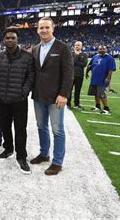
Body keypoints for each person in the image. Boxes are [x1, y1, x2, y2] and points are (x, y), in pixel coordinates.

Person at [0, 28, 35, 174]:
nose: (10, 40)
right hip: (2, 99)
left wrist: (24, 91)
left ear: (17, 39)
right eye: (7, 38)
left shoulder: (27, 56)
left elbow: (31, 76)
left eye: (13, 38)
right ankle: (8, 149)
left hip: (19, 100)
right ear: (4, 40)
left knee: (20, 129)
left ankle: (21, 157)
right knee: (5, 126)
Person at [31, 17, 73, 176]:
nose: (44, 30)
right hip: (39, 96)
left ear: (53, 29)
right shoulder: (35, 48)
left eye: (47, 27)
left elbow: (68, 73)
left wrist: (64, 94)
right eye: (41, 28)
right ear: (37, 30)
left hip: (56, 97)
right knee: (41, 127)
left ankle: (57, 162)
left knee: (57, 130)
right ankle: (44, 154)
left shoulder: (63, 47)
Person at [86, 45, 116, 115]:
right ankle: (97, 106)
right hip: (94, 78)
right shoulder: (95, 57)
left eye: (103, 49)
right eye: (100, 49)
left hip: (102, 79)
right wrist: (87, 72)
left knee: (101, 94)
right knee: (96, 93)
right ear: (98, 50)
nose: (101, 50)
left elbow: (111, 69)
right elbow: (90, 65)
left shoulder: (110, 58)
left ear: (106, 50)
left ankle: (106, 108)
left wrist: (108, 78)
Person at [68, 41, 88, 110]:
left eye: (78, 45)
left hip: (80, 75)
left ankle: (77, 104)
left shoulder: (84, 55)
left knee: (78, 90)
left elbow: (84, 64)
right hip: (71, 75)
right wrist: (76, 56)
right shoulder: (71, 54)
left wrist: (76, 61)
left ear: (81, 46)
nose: (77, 46)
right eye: (76, 45)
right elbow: (71, 63)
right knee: (69, 90)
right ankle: (68, 104)